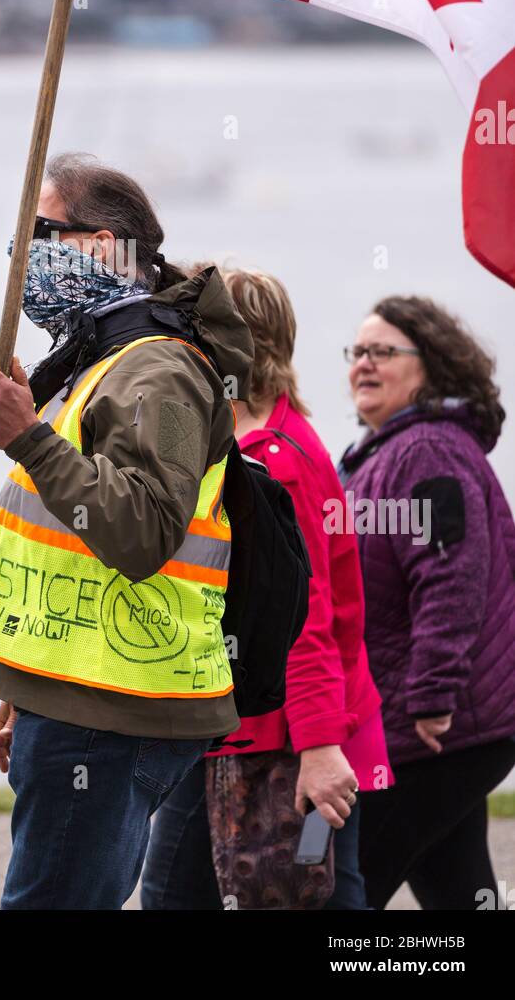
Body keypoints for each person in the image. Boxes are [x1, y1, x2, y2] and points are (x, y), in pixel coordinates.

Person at [0, 152, 255, 910]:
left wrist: (29, 437)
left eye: (42, 231)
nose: (25, 254)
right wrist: (28, 688)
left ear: (101, 245)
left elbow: (146, 530)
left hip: (115, 704)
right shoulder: (105, 358)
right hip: (81, 695)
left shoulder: (158, 370)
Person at [142, 268, 389, 910]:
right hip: (267, 728)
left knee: (178, 893)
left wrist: (319, 746)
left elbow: (302, 617)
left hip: (277, 738)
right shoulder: (264, 438)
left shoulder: (273, 463)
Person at [339, 295, 515, 910]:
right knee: (458, 892)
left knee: (339, 886)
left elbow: (452, 579)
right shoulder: (384, 454)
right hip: (434, 727)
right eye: (357, 352)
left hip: (435, 727)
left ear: (431, 365)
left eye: (383, 352)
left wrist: (435, 694)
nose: (363, 364)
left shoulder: (426, 452)